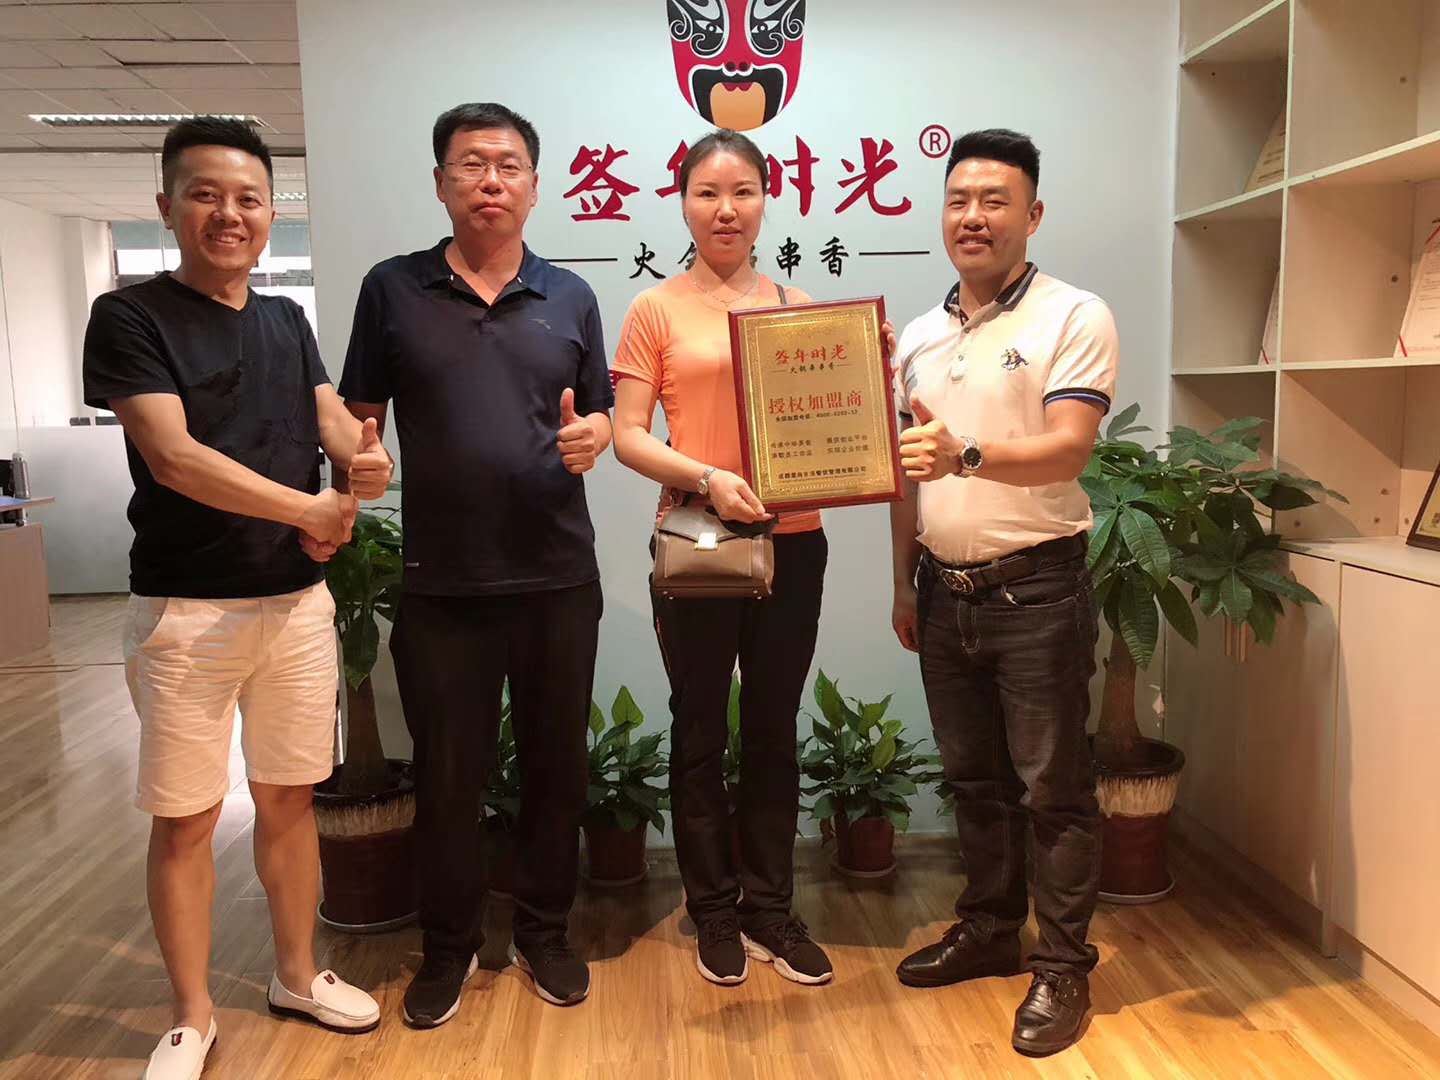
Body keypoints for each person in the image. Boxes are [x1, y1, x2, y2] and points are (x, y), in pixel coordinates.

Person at [82, 117, 390, 1080]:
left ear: (269, 213)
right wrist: (309, 505)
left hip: (294, 604)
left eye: (249, 198)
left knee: (290, 800)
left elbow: (327, 413)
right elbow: (174, 457)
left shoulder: (286, 318)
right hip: (186, 611)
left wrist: (361, 457)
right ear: (167, 204)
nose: (230, 214)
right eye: (206, 194)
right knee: (185, 817)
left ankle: (297, 975)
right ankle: (190, 1016)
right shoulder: (129, 317)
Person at [336, 102, 613, 1023]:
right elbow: (358, 418)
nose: (490, 181)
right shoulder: (393, 289)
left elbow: (600, 411)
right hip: (443, 585)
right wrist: (360, 463)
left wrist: (594, 435)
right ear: (441, 182)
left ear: (534, 185)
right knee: (448, 778)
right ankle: (448, 948)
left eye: (508, 165)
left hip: (558, 577)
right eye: (470, 164)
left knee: (555, 770)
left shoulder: (570, 296)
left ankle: (544, 933)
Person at [612, 128, 893, 988]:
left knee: (773, 728)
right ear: (683, 204)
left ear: (767, 200)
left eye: (742, 191)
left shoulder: (800, 309)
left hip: (794, 542)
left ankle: (770, 907)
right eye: (707, 192)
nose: (725, 209)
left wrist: (868, 375)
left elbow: (841, 424)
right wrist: (706, 477)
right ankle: (714, 911)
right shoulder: (655, 310)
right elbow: (627, 435)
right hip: (699, 540)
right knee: (700, 728)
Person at [888, 128, 1118, 1057]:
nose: (973, 217)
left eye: (994, 200)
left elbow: (1069, 449)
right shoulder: (919, 334)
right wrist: (902, 583)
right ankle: (989, 930)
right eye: (958, 200)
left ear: (1033, 213)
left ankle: (1062, 967)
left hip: (1039, 592)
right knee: (974, 781)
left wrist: (968, 455)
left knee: (1053, 789)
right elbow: (904, 474)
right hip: (944, 593)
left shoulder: (1074, 314)